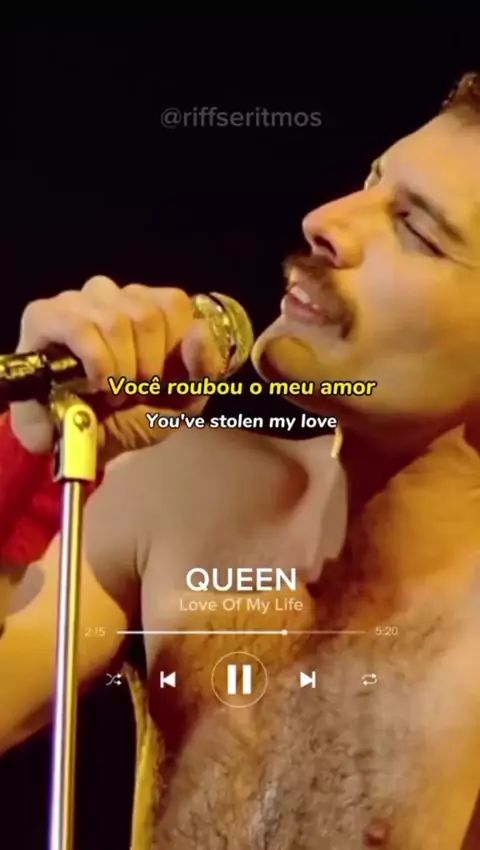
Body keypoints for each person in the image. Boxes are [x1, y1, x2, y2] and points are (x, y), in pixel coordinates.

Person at [1, 72, 479, 850]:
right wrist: (28, 456)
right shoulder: (177, 490)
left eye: (417, 231)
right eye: (369, 183)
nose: (324, 223)